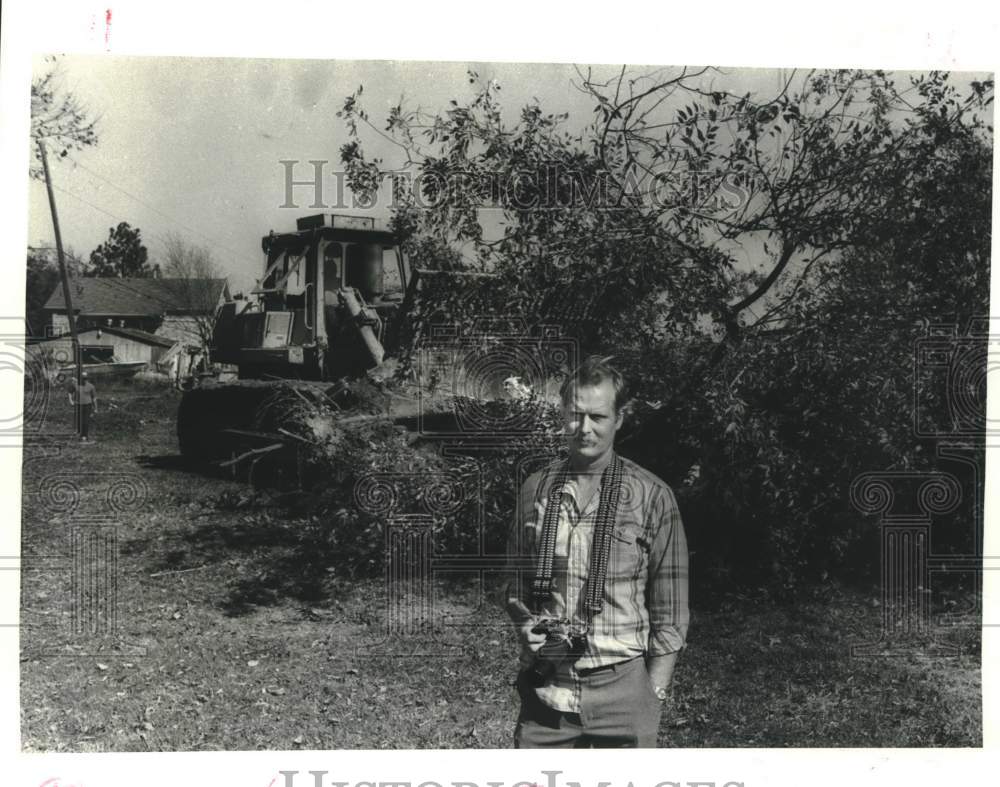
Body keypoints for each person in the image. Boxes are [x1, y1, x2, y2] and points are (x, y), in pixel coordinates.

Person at [502, 355, 689, 748]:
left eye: (598, 417)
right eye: (575, 415)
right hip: (547, 695)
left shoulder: (653, 496)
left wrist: (652, 694)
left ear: (619, 419)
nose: (584, 429)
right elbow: (516, 586)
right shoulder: (535, 489)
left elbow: (671, 612)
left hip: (624, 694)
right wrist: (526, 629)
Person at [68, 371, 98, 442]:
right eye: (82, 378)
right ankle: (80, 434)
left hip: (87, 405)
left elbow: (94, 398)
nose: (84, 380)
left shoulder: (91, 386)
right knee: (79, 420)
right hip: (79, 405)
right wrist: (71, 400)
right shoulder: (76, 385)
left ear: (87, 379)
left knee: (86, 421)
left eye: (85, 378)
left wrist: (96, 408)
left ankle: (84, 436)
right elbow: (70, 392)